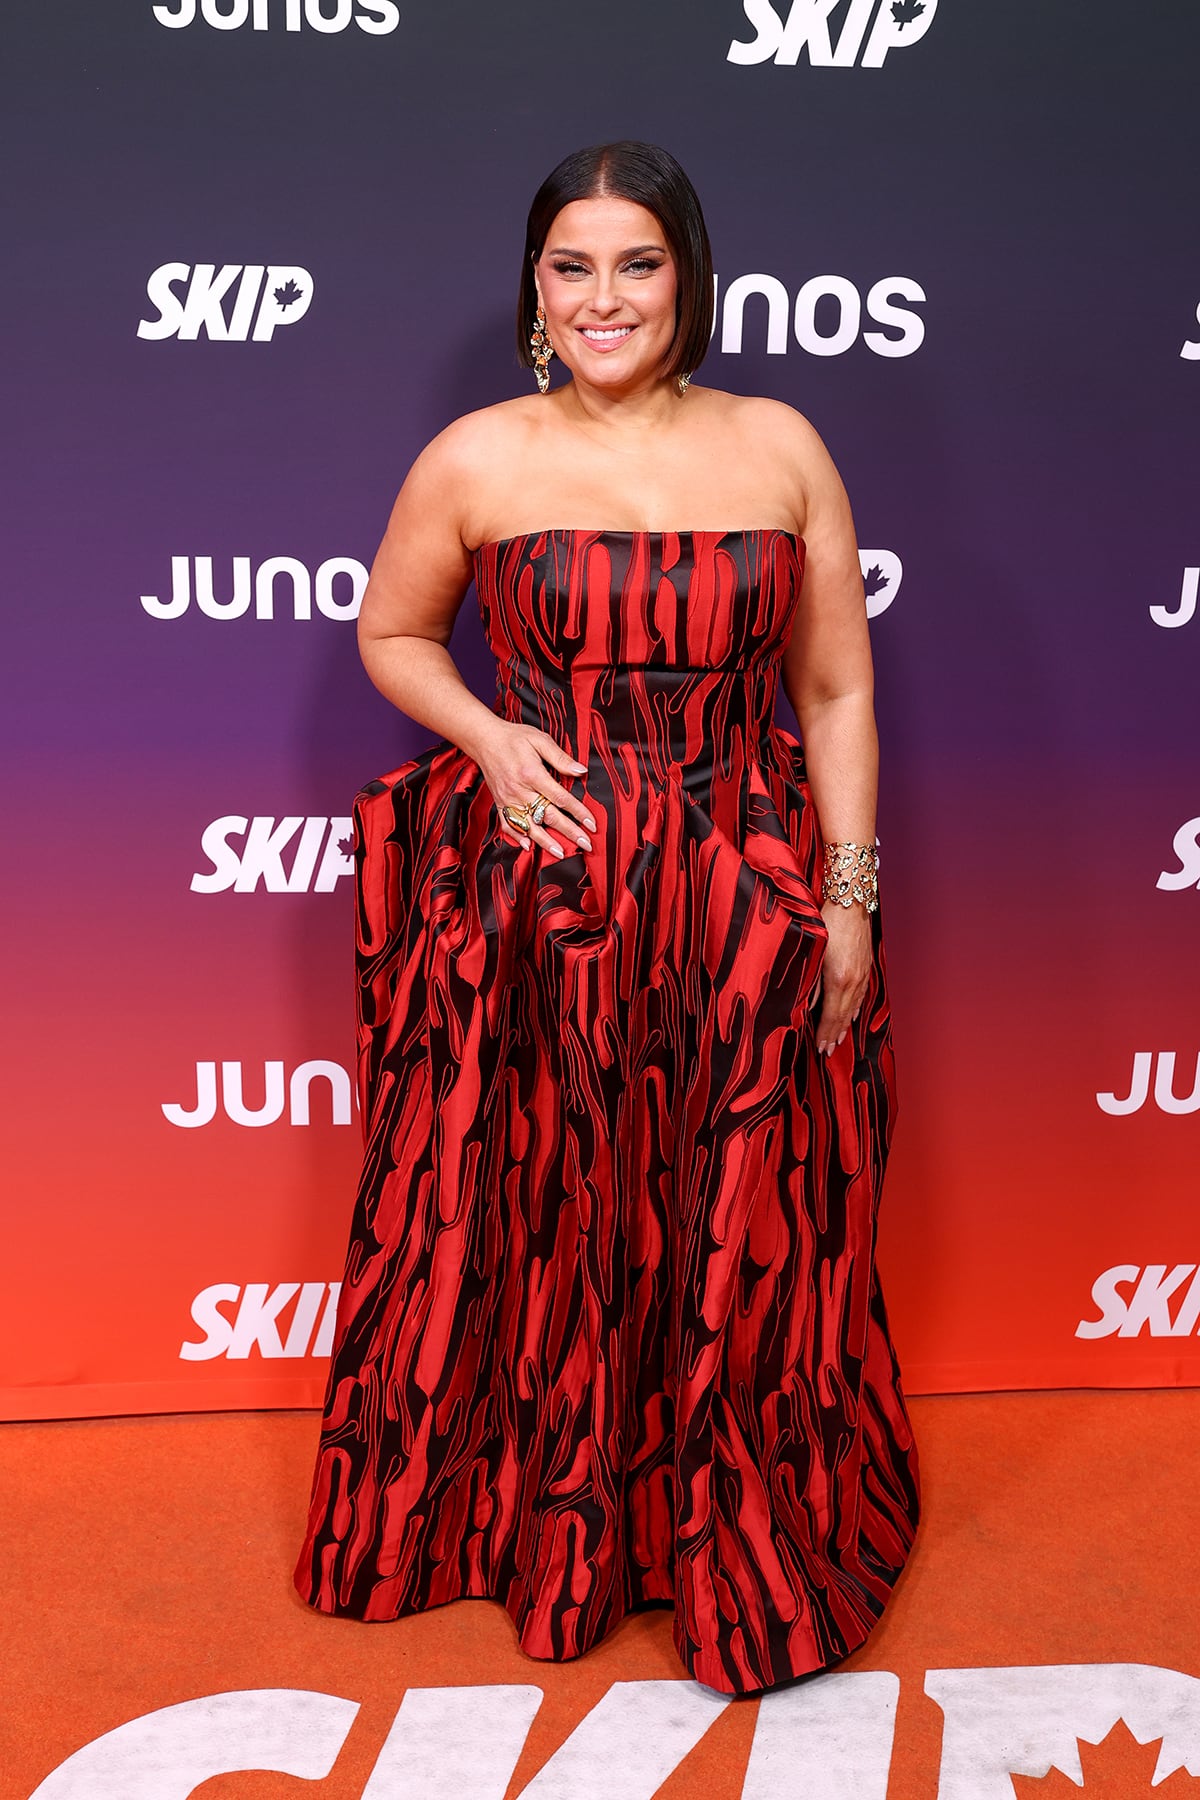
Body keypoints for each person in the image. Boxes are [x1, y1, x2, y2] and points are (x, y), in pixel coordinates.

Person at [294, 139, 920, 1697]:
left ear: (691, 278)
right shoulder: (477, 460)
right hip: (552, 897)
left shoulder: (781, 445)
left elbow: (836, 686)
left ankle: (729, 1532)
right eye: (571, 267)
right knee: (558, 1213)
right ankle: (567, 1531)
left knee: (742, 1213)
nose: (602, 298)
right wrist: (493, 740)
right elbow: (392, 631)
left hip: (744, 882)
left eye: (636, 263)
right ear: (533, 287)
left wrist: (848, 893)